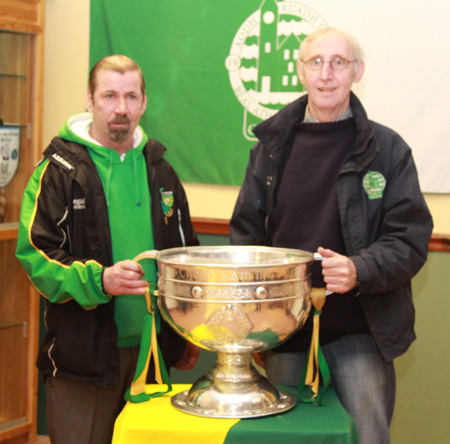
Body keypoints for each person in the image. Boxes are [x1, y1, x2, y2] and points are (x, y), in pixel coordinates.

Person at [230, 28, 433, 444]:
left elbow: (410, 238)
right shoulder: (269, 149)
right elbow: (245, 239)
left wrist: (360, 269)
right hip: (284, 333)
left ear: (357, 72)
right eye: (315, 62)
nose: (326, 74)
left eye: (339, 62)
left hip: (361, 330)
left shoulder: (389, 150)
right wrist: (257, 320)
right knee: (286, 439)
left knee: (367, 437)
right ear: (300, 71)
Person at [16, 55, 199, 444]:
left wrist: (189, 332)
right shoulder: (57, 172)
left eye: (131, 97)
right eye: (110, 96)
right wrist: (101, 280)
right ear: (89, 99)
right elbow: (36, 257)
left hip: (153, 360)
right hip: (83, 359)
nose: (121, 108)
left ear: (144, 103)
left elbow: (186, 255)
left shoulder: (160, 170)